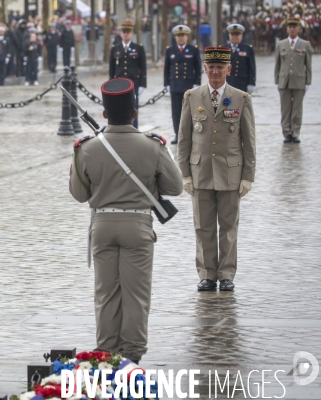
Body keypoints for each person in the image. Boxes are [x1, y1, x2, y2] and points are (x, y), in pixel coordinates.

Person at [69, 78, 183, 363]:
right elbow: (175, 187)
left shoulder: (87, 147)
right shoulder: (152, 145)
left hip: (103, 226)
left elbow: (79, 194)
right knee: (136, 296)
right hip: (138, 226)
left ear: (105, 113)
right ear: (134, 111)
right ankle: (132, 357)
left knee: (106, 294)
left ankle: (105, 352)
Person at [177, 46, 256, 292]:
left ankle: (227, 274)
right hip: (201, 173)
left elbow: (249, 140)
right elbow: (184, 138)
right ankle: (207, 273)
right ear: (204, 68)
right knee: (203, 227)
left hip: (230, 174)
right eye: (210, 67)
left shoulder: (241, 98)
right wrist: (185, 174)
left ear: (228, 69)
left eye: (219, 68)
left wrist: (248, 176)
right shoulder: (192, 97)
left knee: (229, 227)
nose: (214, 72)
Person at [274, 16, 313, 144]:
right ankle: (287, 133)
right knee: (285, 109)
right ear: (287, 29)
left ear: (299, 29)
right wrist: (276, 80)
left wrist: (308, 82)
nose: (292, 29)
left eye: (294, 27)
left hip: (299, 81)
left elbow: (308, 65)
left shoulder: (305, 44)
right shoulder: (281, 44)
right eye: (290, 27)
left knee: (297, 109)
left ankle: (295, 133)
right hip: (284, 81)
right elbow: (277, 65)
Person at [164, 25, 201, 144]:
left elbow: (197, 68)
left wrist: (197, 83)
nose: (180, 38)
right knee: (176, 112)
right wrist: (167, 83)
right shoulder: (170, 50)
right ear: (175, 37)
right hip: (175, 84)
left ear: (187, 37)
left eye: (182, 36)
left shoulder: (193, 50)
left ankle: (189, 134)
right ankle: (178, 134)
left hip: (188, 84)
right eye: (178, 36)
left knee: (189, 112)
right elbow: (167, 68)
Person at [109, 20, 147, 128]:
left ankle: (134, 130)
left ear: (132, 34)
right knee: (118, 110)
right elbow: (112, 69)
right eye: (124, 32)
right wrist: (111, 84)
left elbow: (143, 68)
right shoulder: (115, 48)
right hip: (118, 84)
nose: (125, 34)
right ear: (121, 33)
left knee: (133, 110)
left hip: (133, 84)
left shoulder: (138, 48)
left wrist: (142, 84)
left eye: (128, 32)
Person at [226, 24, 256, 94]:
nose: (234, 37)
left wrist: (251, 83)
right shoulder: (223, 48)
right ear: (229, 35)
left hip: (242, 84)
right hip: (227, 83)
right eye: (232, 34)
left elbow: (252, 68)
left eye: (237, 35)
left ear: (241, 35)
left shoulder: (247, 49)